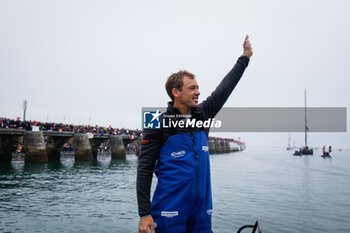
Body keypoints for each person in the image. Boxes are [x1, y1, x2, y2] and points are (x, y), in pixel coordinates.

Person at [137, 36, 253, 233]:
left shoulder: (203, 115)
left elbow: (225, 87)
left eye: (198, 87)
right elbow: (145, 169)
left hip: (201, 211)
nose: (198, 92)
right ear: (176, 92)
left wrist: (244, 58)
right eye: (192, 88)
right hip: (168, 211)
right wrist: (144, 214)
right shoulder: (157, 121)